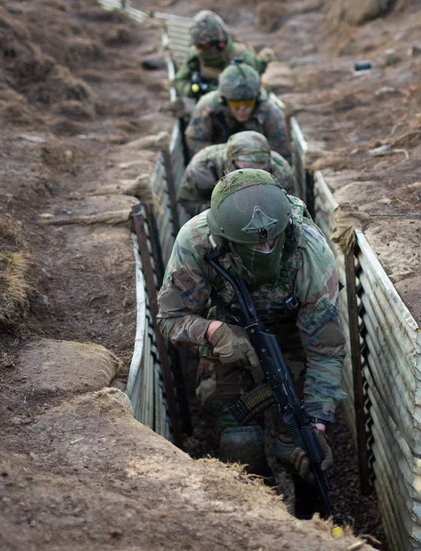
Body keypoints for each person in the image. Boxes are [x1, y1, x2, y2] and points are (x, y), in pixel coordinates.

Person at [157, 169, 346, 517]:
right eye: (253, 244)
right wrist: (215, 331)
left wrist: (317, 421)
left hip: (293, 339)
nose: (264, 249)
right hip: (229, 340)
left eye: (270, 240)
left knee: (303, 449)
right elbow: (170, 318)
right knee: (240, 443)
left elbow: (325, 349)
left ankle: (307, 516)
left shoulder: (310, 254)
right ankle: (259, 513)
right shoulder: (196, 243)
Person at [177, 131, 297, 217]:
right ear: (230, 162)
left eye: (259, 171)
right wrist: (217, 210)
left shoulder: (280, 170)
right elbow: (188, 201)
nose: (250, 177)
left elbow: (289, 205)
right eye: (244, 169)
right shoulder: (202, 170)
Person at [185, 63, 290, 160]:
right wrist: (222, 157)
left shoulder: (270, 112)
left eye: (249, 103)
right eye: (236, 104)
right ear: (225, 101)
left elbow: (281, 152)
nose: (242, 109)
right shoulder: (207, 108)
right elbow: (195, 140)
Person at [173, 10, 268, 101]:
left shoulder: (243, 57)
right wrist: (191, 89)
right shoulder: (195, 54)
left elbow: (254, 91)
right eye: (198, 46)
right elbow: (179, 81)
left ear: (220, 44)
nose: (200, 50)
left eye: (205, 46)